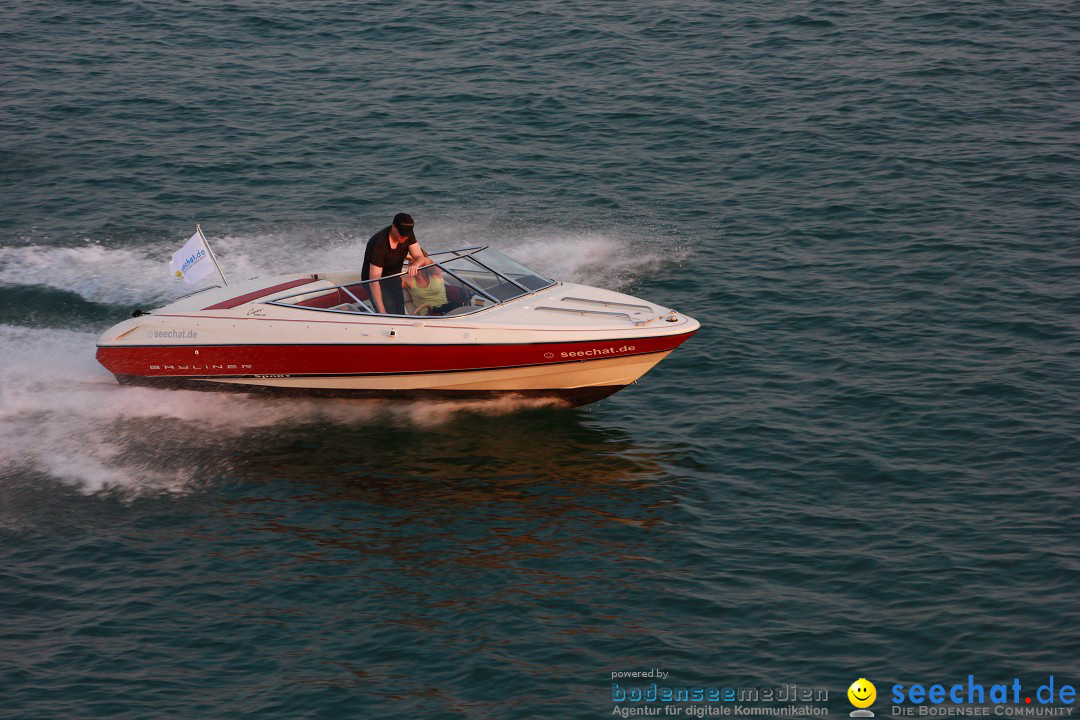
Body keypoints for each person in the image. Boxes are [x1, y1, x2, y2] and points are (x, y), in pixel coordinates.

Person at [361, 213, 429, 314]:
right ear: (393, 227)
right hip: (377, 281)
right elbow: (374, 281)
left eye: (407, 234)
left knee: (400, 313)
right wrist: (382, 312)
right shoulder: (379, 244)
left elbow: (420, 258)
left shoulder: (407, 234)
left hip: (394, 278)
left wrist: (416, 264)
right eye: (402, 234)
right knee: (388, 313)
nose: (405, 237)